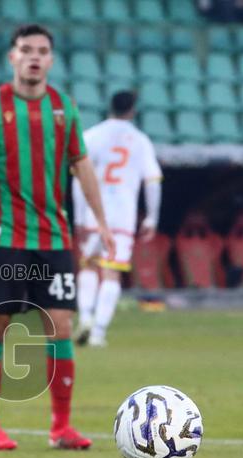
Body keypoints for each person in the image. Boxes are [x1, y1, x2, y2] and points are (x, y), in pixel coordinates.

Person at [0, 24, 114, 452]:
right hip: (3, 235)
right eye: (26, 50)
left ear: (51, 60)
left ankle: (61, 427)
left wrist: (101, 221)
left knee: (60, 323)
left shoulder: (65, 109)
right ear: (12, 57)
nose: (34, 57)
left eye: (41, 51)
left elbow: (83, 167)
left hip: (55, 238)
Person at [73, 90, 162, 347]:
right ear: (132, 110)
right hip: (122, 216)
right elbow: (153, 181)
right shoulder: (140, 141)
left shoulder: (91, 136)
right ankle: (99, 333)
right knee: (111, 273)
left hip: (93, 213)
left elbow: (79, 179)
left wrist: (80, 217)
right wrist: (152, 217)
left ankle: (86, 318)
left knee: (88, 266)